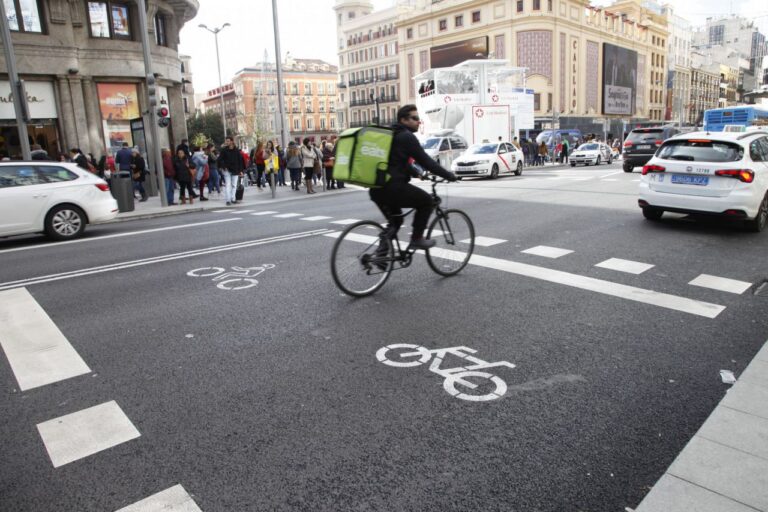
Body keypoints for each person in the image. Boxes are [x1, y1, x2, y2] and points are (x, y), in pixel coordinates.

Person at [370, 104, 457, 251]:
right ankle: (416, 238)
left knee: (396, 221)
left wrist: (417, 173)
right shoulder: (406, 137)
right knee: (426, 202)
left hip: (377, 189)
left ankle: (380, 255)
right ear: (403, 120)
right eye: (415, 118)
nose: (419, 121)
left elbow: (396, 162)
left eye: (419, 118)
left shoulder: (391, 135)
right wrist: (448, 175)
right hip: (394, 188)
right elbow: (426, 161)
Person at [218, 136, 244, 205]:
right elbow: (220, 159)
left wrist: (241, 170)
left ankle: (233, 198)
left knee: (234, 185)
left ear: (232, 141)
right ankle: (228, 200)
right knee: (228, 184)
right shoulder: (224, 150)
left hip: (235, 170)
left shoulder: (237, 151)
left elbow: (240, 161)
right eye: (226, 141)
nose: (227, 142)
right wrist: (223, 166)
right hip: (226, 170)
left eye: (228, 141)